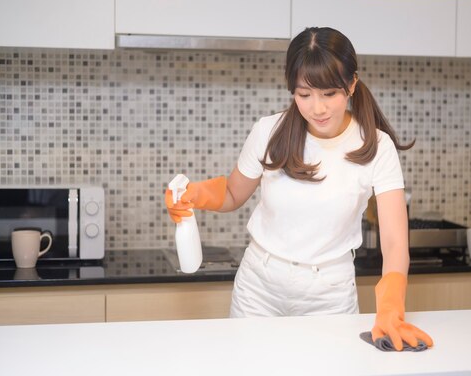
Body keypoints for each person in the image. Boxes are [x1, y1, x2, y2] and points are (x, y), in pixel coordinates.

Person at [165, 27, 433, 351]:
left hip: (329, 295)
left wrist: (391, 304)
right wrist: (196, 194)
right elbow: (234, 193)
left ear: (351, 84)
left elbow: (393, 241)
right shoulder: (270, 132)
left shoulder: (377, 146)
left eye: (329, 93)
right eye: (304, 95)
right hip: (259, 289)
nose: (317, 108)